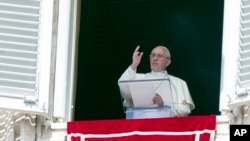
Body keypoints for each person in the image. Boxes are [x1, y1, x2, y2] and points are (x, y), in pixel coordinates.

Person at [118, 45, 195, 118]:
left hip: (166, 126)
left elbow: (185, 110)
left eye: (159, 56)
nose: (155, 58)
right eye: (153, 55)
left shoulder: (178, 83)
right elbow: (122, 86)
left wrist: (164, 106)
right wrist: (134, 64)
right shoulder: (140, 78)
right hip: (141, 126)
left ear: (167, 62)